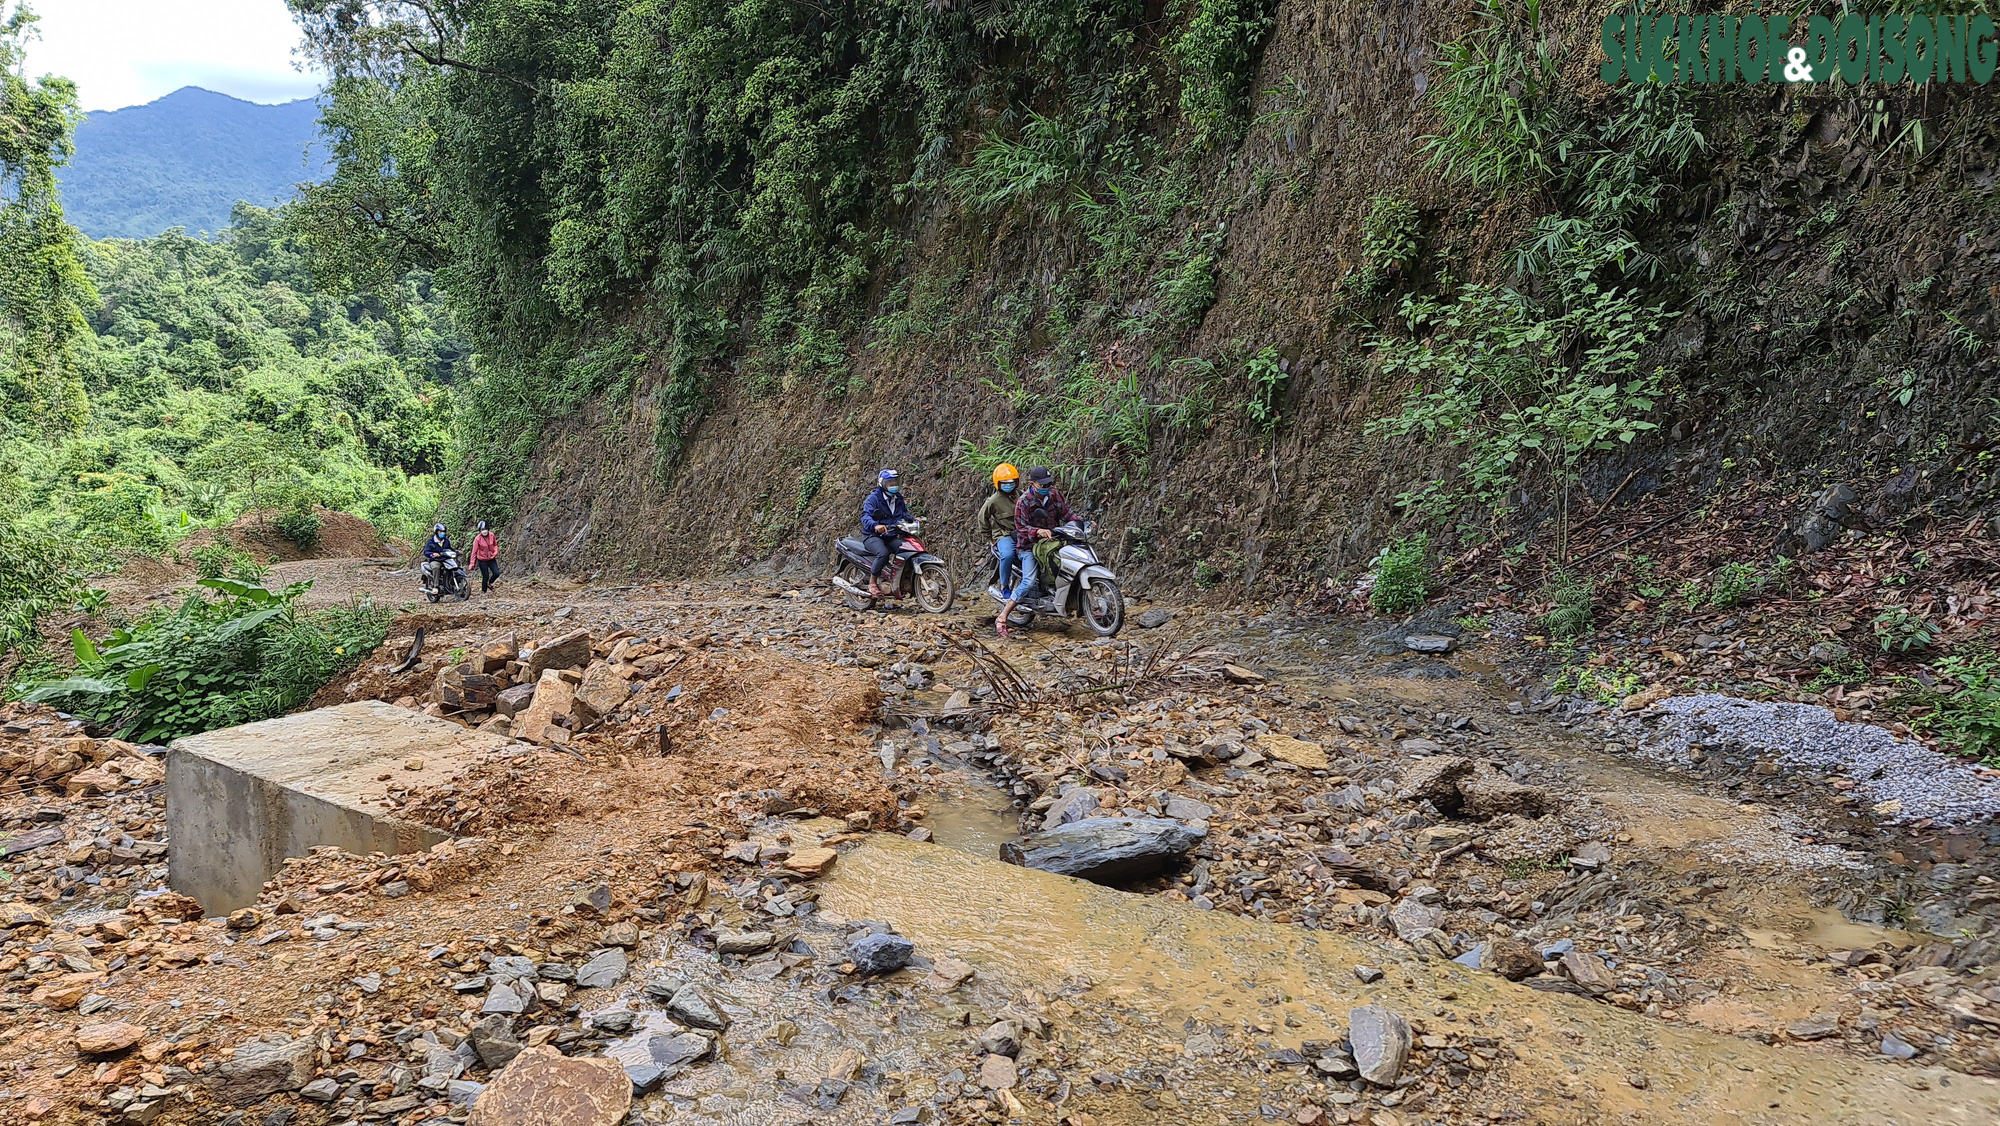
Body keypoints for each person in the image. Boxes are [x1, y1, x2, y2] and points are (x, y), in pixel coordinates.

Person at [996, 466, 1075, 636]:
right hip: (1029, 546)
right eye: (1043, 484)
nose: (1047, 487)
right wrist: (1037, 531)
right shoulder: (1023, 502)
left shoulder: (1054, 494)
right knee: (1029, 580)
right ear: (1033, 484)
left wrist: (1082, 523)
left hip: (1053, 542)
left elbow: (1067, 513)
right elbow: (1021, 529)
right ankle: (1002, 616)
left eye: (1049, 483)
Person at [859, 468, 913, 598]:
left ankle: (900, 578)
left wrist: (911, 519)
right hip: (873, 536)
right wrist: (875, 525)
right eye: (890, 484)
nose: (894, 486)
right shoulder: (874, 498)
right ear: (883, 484)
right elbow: (865, 516)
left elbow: (904, 514)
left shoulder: (898, 498)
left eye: (895, 483)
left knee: (907, 549)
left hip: (891, 535)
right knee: (883, 553)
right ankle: (872, 582)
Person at [978, 463, 1021, 598]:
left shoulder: (1020, 495)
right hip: (1004, 534)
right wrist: (990, 538)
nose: (1009, 485)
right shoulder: (994, 501)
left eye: (1012, 482)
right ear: (998, 484)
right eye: (1005, 483)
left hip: (1022, 533)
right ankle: (1004, 585)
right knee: (1008, 554)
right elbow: (982, 518)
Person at [470, 520, 499, 592]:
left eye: (485, 529)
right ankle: (484, 591)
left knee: (496, 573)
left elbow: (495, 544)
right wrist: (472, 563)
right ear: (480, 530)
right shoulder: (477, 539)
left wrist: (495, 552)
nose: (484, 531)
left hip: (491, 558)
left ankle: (489, 583)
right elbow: (474, 552)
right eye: (482, 529)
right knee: (485, 576)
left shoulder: (492, 535)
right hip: (482, 560)